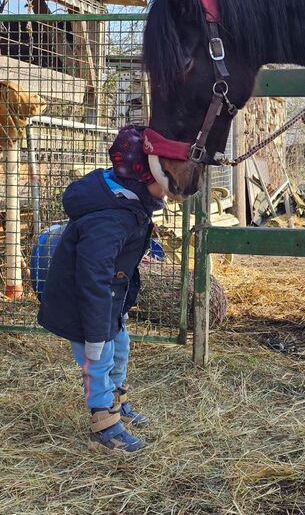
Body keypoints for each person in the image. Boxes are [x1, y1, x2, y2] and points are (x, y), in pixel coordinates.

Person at [37, 125, 166, 454]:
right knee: (99, 358)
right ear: (140, 175)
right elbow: (92, 275)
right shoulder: (110, 217)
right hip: (85, 307)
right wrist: (95, 333)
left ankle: (117, 402)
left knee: (120, 348)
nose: (168, 184)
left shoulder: (127, 201)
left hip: (109, 300)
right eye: (162, 173)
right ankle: (104, 424)